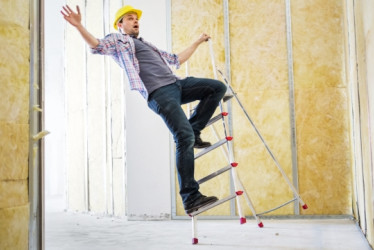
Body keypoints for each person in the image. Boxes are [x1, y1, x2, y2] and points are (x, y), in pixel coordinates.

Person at [61, 5, 227, 214]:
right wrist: (78, 26)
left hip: (177, 85)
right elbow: (97, 45)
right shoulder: (119, 40)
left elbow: (176, 60)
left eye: (136, 18)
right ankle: (191, 197)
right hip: (160, 93)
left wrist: (197, 41)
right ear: (120, 24)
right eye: (129, 18)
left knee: (217, 88)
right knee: (184, 138)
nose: (135, 21)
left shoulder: (147, 45)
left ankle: (195, 129)